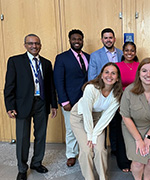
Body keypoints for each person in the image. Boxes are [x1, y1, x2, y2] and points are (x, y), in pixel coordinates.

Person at [4, 34, 58, 180]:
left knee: (41, 136)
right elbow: (9, 85)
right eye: (31, 43)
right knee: (22, 138)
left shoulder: (46, 63)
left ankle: (37, 162)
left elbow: (50, 86)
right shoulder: (15, 61)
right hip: (22, 105)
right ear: (25, 45)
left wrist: (54, 104)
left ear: (40, 45)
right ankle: (22, 168)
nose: (34, 46)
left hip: (41, 102)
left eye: (37, 43)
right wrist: (10, 106)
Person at [70, 62, 123, 180]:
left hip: (99, 119)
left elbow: (107, 117)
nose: (109, 75)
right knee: (86, 149)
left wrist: (95, 134)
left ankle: (103, 177)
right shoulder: (91, 88)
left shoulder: (117, 94)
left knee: (100, 149)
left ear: (117, 78)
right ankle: (89, 178)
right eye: (107, 72)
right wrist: (90, 135)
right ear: (101, 75)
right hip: (80, 117)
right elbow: (87, 113)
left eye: (113, 73)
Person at [120, 58, 150, 180]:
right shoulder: (129, 91)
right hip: (132, 127)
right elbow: (125, 116)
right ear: (139, 73)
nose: (148, 75)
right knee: (138, 162)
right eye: (144, 71)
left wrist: (148, 136)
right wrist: (138, 139)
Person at [54, 29, 90, 167]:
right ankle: (71, 154)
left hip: (86, 100)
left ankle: (85, 152)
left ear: (82, 40)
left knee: (87, 127)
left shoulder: (88, 56)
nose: (77, 41)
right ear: (70, 40)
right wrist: (64, 101)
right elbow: (58, 80)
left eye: (79, 39)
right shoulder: (62, 58)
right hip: (69, 100)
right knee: (71, 129)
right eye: (74, 39)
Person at [88, 28, 123, 155]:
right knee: (101, 123)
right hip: (101, 94)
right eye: (106, 38)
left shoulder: (121, 53)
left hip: (116, 94)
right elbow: (91, 77)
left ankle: (114, 149)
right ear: (102, 39)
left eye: (110, 37)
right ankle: (100, 149)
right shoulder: (95, 55)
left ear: (114, 39)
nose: (108, 40)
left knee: (115, 123)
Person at [115, 41, 140, 172]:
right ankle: (124, 161)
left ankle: (135, 159)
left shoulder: (140, 66)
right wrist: (120, 103)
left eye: (132, 50)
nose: (129, 53)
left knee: (135, 132)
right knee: (122, 133)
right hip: (121, 103)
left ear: (135, 53)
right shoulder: (117, 66)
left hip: (137, 103)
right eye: (126, 50)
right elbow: (114, 86)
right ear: (123, 52)